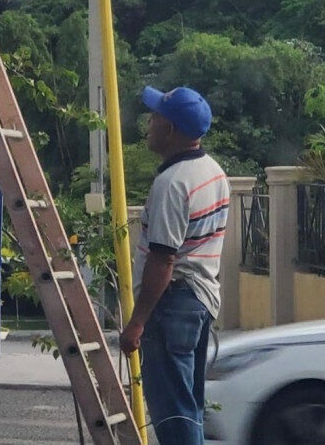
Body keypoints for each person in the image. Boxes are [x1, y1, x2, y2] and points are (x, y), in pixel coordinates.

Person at [120, 86, 230, 445]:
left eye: (155, 117)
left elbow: (164, 258)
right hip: (199, 300)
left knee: (173, 414)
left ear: (169, 129)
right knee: (188, 409)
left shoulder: (172, 183)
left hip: (172, 305)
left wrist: (137, 322)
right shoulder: (213, 172)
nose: (148, 125)